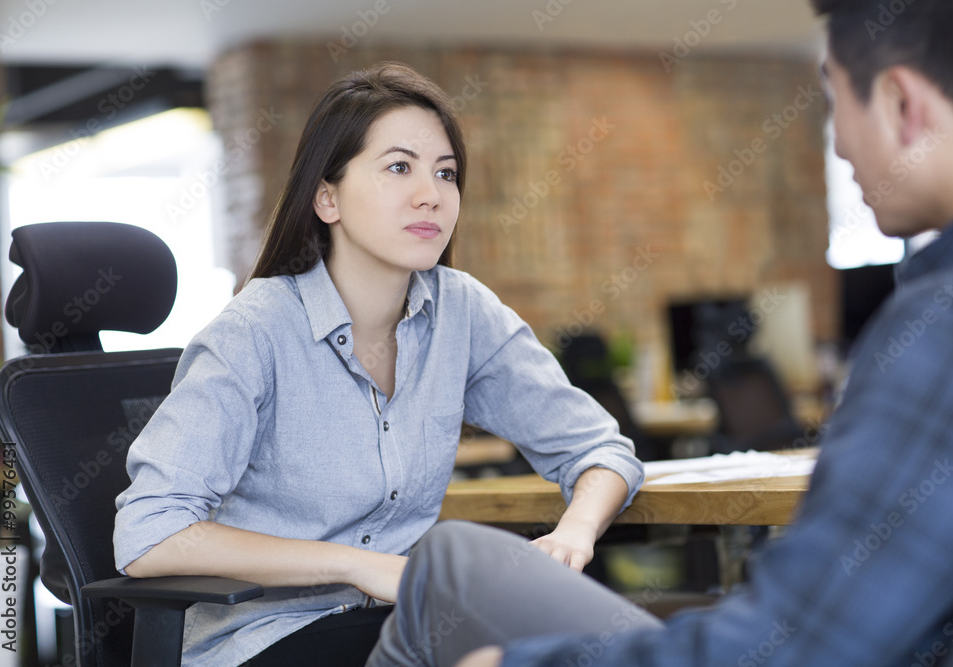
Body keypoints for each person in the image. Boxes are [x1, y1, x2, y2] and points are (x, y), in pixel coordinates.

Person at [364, 1, 953, 665]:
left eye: (835, 102)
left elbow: (795, 651)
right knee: (453, 561)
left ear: (900, 104)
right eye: (399, 168)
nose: (835, 144)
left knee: (447, 571)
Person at [112, 62, 645, 667]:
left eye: (446, 173)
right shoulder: (253, 333)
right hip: (268, 640)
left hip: (399, 626)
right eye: (399, 167)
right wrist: (359, 566)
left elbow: (602, 451)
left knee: (539, 625)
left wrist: (574, 533)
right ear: (327, 197)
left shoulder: (461, 311)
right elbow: (148, 534)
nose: (431, 194)